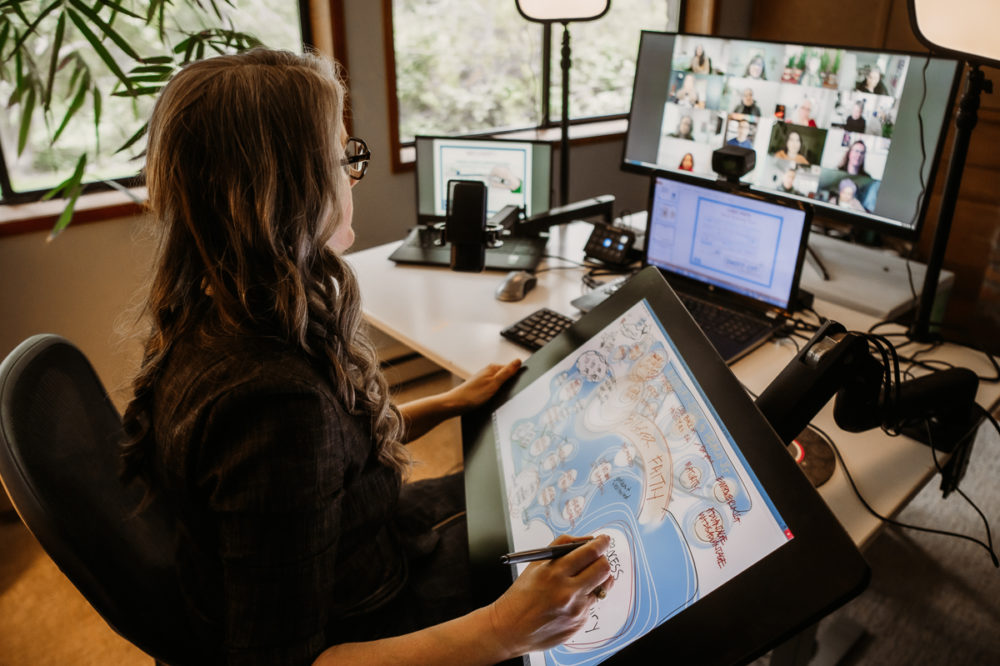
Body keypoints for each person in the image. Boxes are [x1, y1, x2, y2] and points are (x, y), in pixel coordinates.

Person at [120, 48, 615, 665]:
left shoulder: (215, 306)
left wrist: (445, 402)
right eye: (343, 158)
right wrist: (505, 629)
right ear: (290, 187)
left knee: (526, 489)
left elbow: (323, 465)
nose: (354, 176)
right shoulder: (275, 404)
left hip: (375, 546)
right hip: (372, 615)